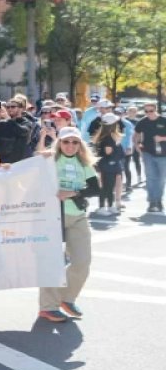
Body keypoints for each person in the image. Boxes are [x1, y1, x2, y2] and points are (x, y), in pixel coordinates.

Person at [38, 126, 98, 324]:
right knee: (52, 263)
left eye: (75, 142)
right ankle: (48, 307)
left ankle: (67, 298)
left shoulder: (84, 163)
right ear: (59, 143)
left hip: (78, 216)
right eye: (66, 142)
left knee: (82, 262)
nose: (70, 146)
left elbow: (96, 188)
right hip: (53, 216)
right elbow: (31, 170)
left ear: (80, 145)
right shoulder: (50, 160)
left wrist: (72, 193)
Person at [133, 103, 166, 213]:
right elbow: (136, 134)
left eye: (151, 111)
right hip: (148, 153)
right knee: (151, 177)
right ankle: (152, 202)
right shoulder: (142, 122)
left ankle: (159, 200)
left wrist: (162, 138)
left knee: (161, 179)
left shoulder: (163, 120)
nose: (149, 114)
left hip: (163, 155)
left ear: (155, 110)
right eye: (146, 111)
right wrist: (137, 147)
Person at [93, 113, 124, 216]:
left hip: (111, 165)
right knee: (105, 187)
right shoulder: (107, 138)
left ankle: (110, 206)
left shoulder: (110, 136)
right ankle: (102, 207)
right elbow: (108, 153)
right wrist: (118, 145)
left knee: (110, 187)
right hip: (106, 166)